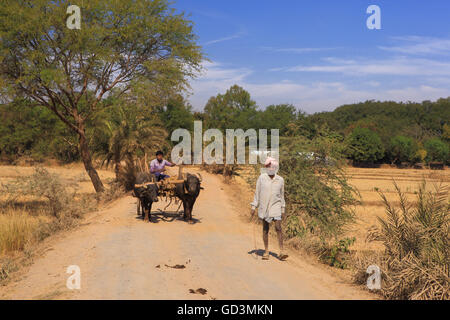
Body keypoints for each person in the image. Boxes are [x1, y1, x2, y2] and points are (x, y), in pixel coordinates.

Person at [250, 157, 288, 261]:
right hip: (264, 207)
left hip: (276, 206)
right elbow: (257, 193)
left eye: (272, 167)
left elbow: (282, 195)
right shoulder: (262, 178)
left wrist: (283, 209)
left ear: (275, 168)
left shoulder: (280, 180)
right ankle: (266, 251)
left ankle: (281, 251)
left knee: (278, 227)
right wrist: (254, 206)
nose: (271, 169)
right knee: (265, 229)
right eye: (268, 167)